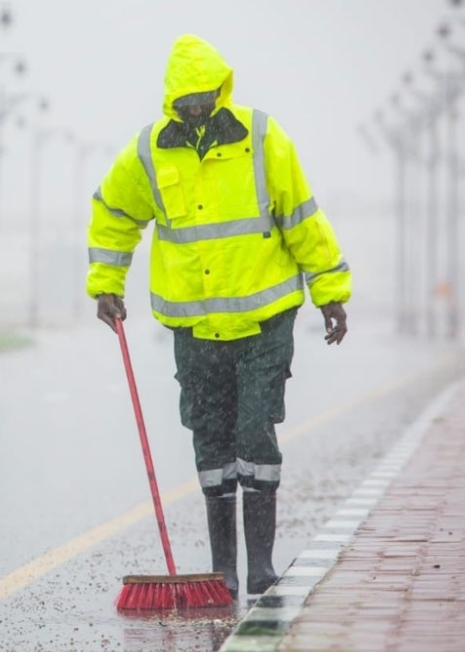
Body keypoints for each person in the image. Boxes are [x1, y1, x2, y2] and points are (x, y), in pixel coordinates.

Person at [86, 34, 351, 598]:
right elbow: (114, 213)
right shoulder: (150, 151)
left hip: (264, 321)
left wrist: (330, 291)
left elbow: (302, 216)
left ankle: (261, 566)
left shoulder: (261, 137)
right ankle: (223, 570)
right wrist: (106, 283)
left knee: (255, 433)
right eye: (186, 102)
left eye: (204, 98)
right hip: (196, 328)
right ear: (172, 101)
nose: (197, 109)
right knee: (210, 441)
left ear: (220, 90)